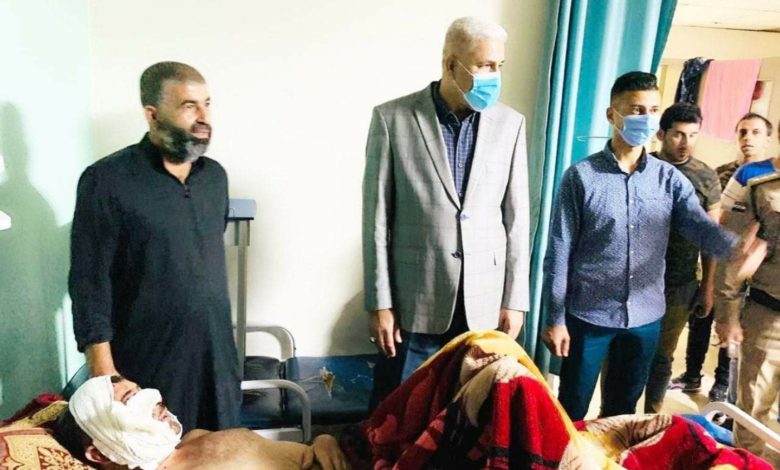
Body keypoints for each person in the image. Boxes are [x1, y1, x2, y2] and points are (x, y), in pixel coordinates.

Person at [541, 71, 763, 421]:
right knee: (571, 409)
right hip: (589, 315)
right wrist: (555, 318)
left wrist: (734, 249)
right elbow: (559, 251)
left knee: (623, 414)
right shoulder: (581, 177)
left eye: (653, 110)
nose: (646, 119)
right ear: (612, 114)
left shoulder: (668, 179)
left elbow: (697, 225)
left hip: (645, 318)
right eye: (636, 110)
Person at [362, 17, 529, 408]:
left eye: (499, 66)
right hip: (414, 302)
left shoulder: (510, 125)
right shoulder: (393, 119)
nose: (494, 76)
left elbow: (517, 220)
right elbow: (376, 220)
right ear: (451, 64)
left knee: (469, 417)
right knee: (400, 414)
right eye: (484, 65)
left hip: (484, 304)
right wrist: (379, 303)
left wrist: (515, 299)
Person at [68, 62, 240, 432]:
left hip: (216, 360)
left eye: (207, 104)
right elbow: (89, 281)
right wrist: (104, 372)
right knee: (158, 452)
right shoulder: (107, 180)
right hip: (148, 361)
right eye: (189, 106)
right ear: (153, 114)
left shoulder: (215, 178)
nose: (204, 117)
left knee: (220, 450)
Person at [669, 112, 773, 400]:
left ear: (768, 139)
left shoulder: (768, 177)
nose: (748, 138)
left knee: (735, 330)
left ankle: (722, 384)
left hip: (752, 273)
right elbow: (715, 221)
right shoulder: (724, 174)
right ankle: (692, 375)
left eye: (755, 132)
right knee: (703, 319)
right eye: (742, 132)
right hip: (719, 259)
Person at [54, 376, 348, 470]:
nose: (155, 401)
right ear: (99, 453)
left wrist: (321, 441)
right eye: (132, 401)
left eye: (140, 390)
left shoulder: (194, 437)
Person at [643, 102, 723, 413]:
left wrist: (708, 287)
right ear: (661, 134)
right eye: (678, 134)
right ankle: (618, 414)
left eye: (693, 135)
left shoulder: (705, 176)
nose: (685, 143)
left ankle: (652, 415)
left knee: (663, 356)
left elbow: (710, 236)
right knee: (629, 352)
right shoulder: (643, 167)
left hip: (679, 282)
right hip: (638, 280)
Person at [716, 151, 778, 467]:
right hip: (768, 319)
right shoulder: (760, 186)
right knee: (754, 412)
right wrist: (727, 314)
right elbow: (734, 254)